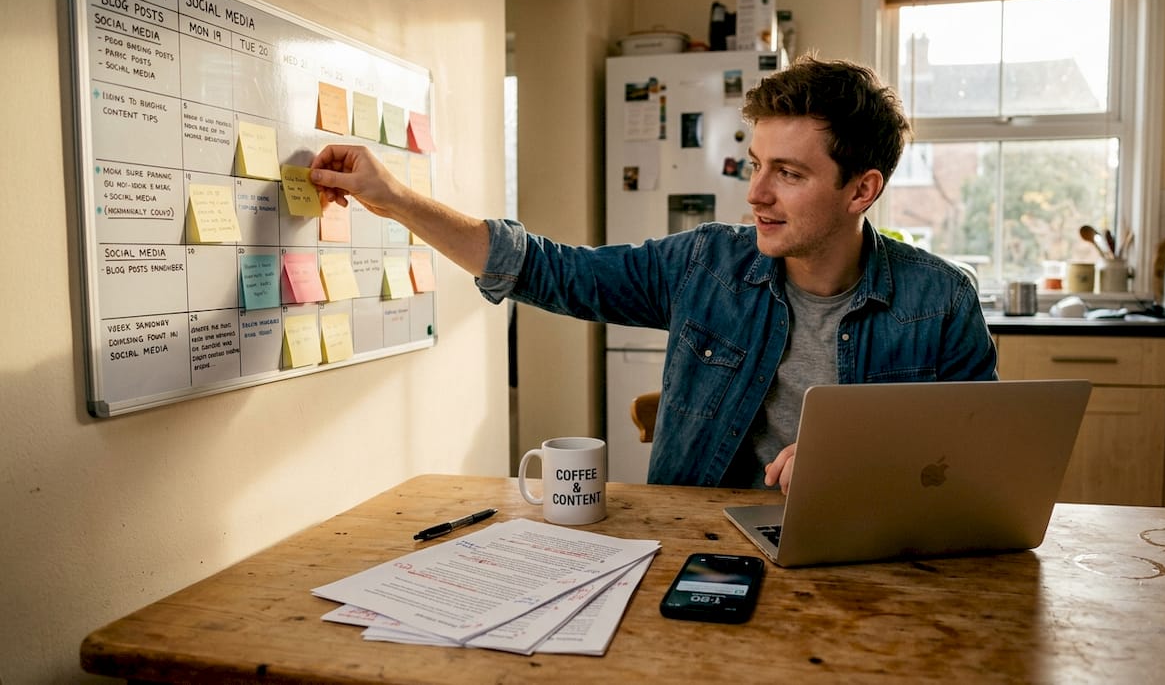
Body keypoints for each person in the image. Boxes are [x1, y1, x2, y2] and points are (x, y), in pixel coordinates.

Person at [308, 56, 997, 494]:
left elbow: (981, 470)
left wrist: (859, 465)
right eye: (755, 164)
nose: (756, 194)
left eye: (788, 174)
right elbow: (547, 269)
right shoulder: (705, 263)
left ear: (861, 190)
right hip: (692, 545)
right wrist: (394, 199)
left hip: (869, 563)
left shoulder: (940, 301)